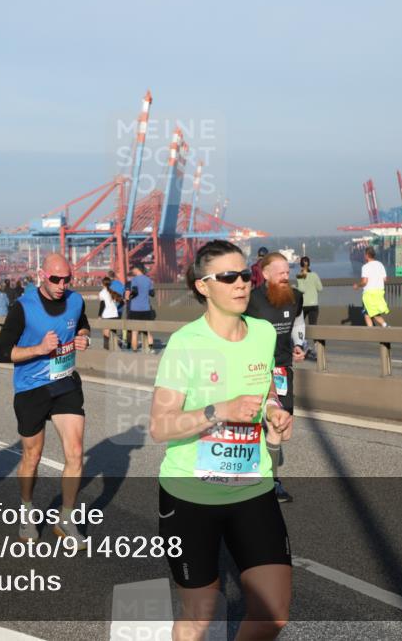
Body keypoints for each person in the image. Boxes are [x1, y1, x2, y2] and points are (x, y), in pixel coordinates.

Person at [150, 239, 292, 639]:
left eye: (246, 274)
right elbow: (160, 426)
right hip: (191, 495)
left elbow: (266, 393)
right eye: (228, 277)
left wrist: (274, 413)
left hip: (252, 487)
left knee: (273, 613)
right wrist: (219, 411)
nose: (242, 283)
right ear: (202, 286)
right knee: (200, 612)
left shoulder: (263, 333)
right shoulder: (185, 345)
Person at [0, 253, 91, 542]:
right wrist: (38, 349)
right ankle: (26, 510)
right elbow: (1, 353)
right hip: (31, 389)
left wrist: (84, 336)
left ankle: (66, 519)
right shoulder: (23, 307)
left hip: (65, 384)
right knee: (32, 456)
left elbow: (82, 322)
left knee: (75, 452)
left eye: (67, 279)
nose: (62, 285)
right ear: (41, 274)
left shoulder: (75, 301)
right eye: (55, 279)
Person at [245, 251, 305, 503]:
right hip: (253, 369)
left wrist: (300, 344)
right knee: (256, 424)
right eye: (279, 272)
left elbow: (299, 323)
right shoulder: (252, 299)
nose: (285, 276)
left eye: (287, 272)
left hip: (281, 369)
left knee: (282, 426)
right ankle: (268, 481)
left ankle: (266, 476)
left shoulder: (296, 297)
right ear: (266, 274)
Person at [353, 246, 390, 327]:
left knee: (369, 313)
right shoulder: (380, 264)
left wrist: (357, 285)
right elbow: (385, 279)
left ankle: (381, 328)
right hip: (380, 292)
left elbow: (364, 282)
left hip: (369, 294)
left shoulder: (365, 267)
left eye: (364, 255)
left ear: (366, 255)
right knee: (371, 313)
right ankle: (380, 328)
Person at [127, 264, 156, 353]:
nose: (133, 270)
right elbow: (152, 293)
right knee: (148, 331)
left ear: (137, 269)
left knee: (135, 332)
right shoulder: (148, 280)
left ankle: (135, 351)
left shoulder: (134, 280)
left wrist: (130, 296)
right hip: (146, 308)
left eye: (133, 268)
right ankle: (151, 349)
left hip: (135, 309)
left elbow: (135, 291)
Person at [295, 256, 322, 328]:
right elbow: (320, 289)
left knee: (299, 326)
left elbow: (302, 289)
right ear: (309, 264)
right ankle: (316, 339)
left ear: (300, 265)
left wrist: (294, 287)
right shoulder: (315, 275)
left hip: (303, 305)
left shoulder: (299, 276)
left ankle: (301, 339)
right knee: (313, 326)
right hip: (314, 305)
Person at [97, 276, 121, 349]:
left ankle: (106, 349)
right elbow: (121, 301)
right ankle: (115, 348)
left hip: (107, 315)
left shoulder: (102, 293)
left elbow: (102, 304)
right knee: (114, 333)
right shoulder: (112, 292)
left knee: (106, 334)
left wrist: (99, 315)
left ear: (103, 284)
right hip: (115, 315)